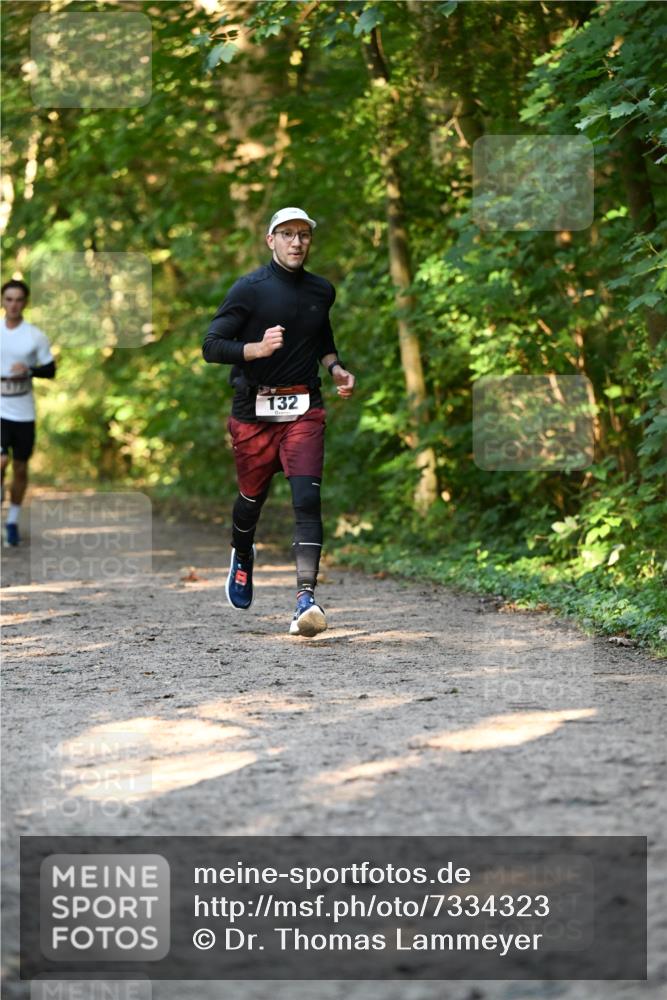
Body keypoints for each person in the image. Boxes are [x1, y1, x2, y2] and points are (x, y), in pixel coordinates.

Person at [203, 207, 355, 636]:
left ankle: (305, 600)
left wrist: (335, 367)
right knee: (251, 500)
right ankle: (243, 549)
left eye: (303, 235)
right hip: (254, 412)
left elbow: (319, 333)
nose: (296, 242)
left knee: (307, 499)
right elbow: (211, 345)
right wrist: (256, 349)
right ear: (270, 240)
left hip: (304, 409)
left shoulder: (321, 290)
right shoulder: (250, 289)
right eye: (287, 234)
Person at [1, 279, 56, 547]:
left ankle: (12, 521)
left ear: (25, 302)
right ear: (2, 301)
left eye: (18, 299)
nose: (13, 304)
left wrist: (30, 370)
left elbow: (51, 370)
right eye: (9, 299)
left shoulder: (35, 336)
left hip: (23, 413)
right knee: (0, 461)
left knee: (20, 469)